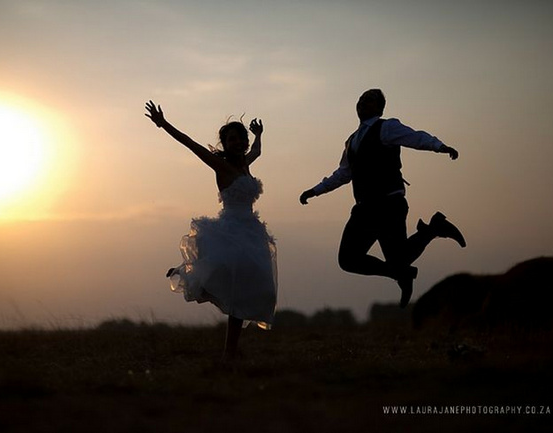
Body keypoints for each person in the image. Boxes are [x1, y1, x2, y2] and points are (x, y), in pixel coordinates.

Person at [299, 89, 465, 308]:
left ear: (379, 107)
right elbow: (343, 174)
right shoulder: (351, 140)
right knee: (348, 259)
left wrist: (439, 146)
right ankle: (404, 269)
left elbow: (415, 137)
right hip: (364, 208)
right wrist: (315, 190)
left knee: (399, 258)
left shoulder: (387, 127)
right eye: (360, 99)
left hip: (388, 204)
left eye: (368, 100)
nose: (362, 103)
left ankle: (432, 231)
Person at [145, 101, 277, 360]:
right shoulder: (221, 165)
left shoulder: (245, 163)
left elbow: (257, 152)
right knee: (224, 277)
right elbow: (190, 143)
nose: (236, 143)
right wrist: (163, 124)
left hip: (250, 232)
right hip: (229, 230)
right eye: (231, 140)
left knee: (249, 288)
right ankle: (186, 271)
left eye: (240, 139)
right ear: (224, 144)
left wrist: (260, 134)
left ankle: (230, 351)